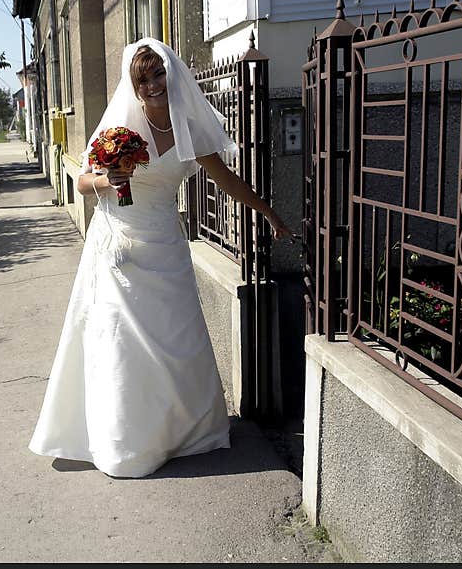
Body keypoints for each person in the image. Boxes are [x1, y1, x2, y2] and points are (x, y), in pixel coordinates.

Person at [28, 38, 292, 478]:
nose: (151, 85)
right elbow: (81, 182)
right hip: (123, 247)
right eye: (143, 78)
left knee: (177, 335)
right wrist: (110, 181)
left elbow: (225, 178)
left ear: (171, 75)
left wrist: (266, 211)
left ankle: (182, 433)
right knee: (124, 343)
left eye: (157, 74)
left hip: (167, 242)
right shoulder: (119, 128)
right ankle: (129, 441)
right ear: (133, 86)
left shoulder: (188, 127)